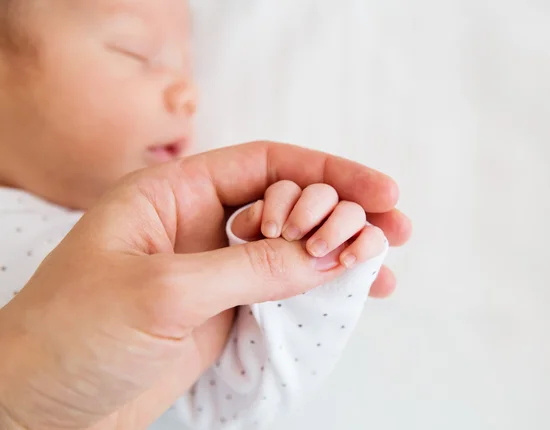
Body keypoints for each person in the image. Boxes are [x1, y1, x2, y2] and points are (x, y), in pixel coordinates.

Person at [0, 1, 412, 429]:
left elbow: (235, 403)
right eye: (136, 54)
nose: (188, 93)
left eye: (187, 66)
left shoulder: (174, 261)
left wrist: (303, 277)